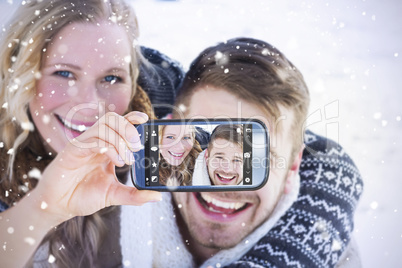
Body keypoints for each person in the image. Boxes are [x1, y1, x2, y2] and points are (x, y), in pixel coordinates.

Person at [120, 37, 363, 267]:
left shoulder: (332, 256)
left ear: (292, 167)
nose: (226, 181)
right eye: (205, 141)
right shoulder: (97, 212)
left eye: (256, 158)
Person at [0, 0, 183, 267]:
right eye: (64, 73)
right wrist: (43, 208)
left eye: (111, 78)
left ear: (133, 81)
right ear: (22, 74)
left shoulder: (171, 122)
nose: (89, 103)